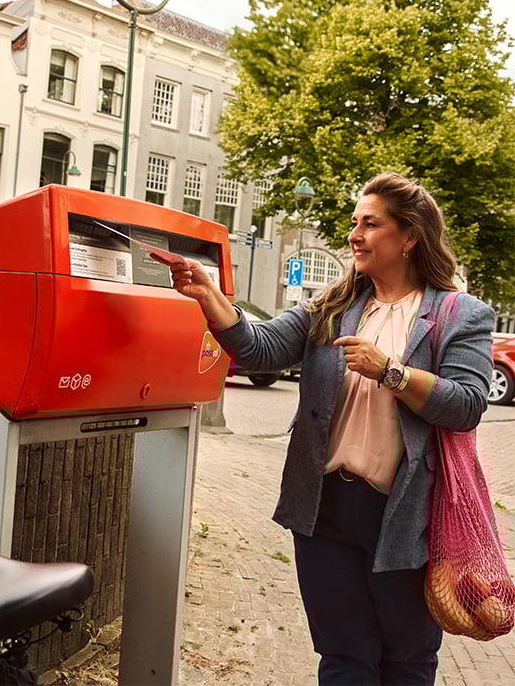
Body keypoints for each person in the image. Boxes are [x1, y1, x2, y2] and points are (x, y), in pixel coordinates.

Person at [169, 172, 494, 686]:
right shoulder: (334, 305)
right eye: (353, 222)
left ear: (409, 236)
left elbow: (468, 405)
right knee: (343, 659)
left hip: (407, 516)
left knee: (405, 661)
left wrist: (393, 372)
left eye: (370, 224)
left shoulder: (461, 315)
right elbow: (262, 349)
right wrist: (211, 298)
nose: (354, 235)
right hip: (326, 511)